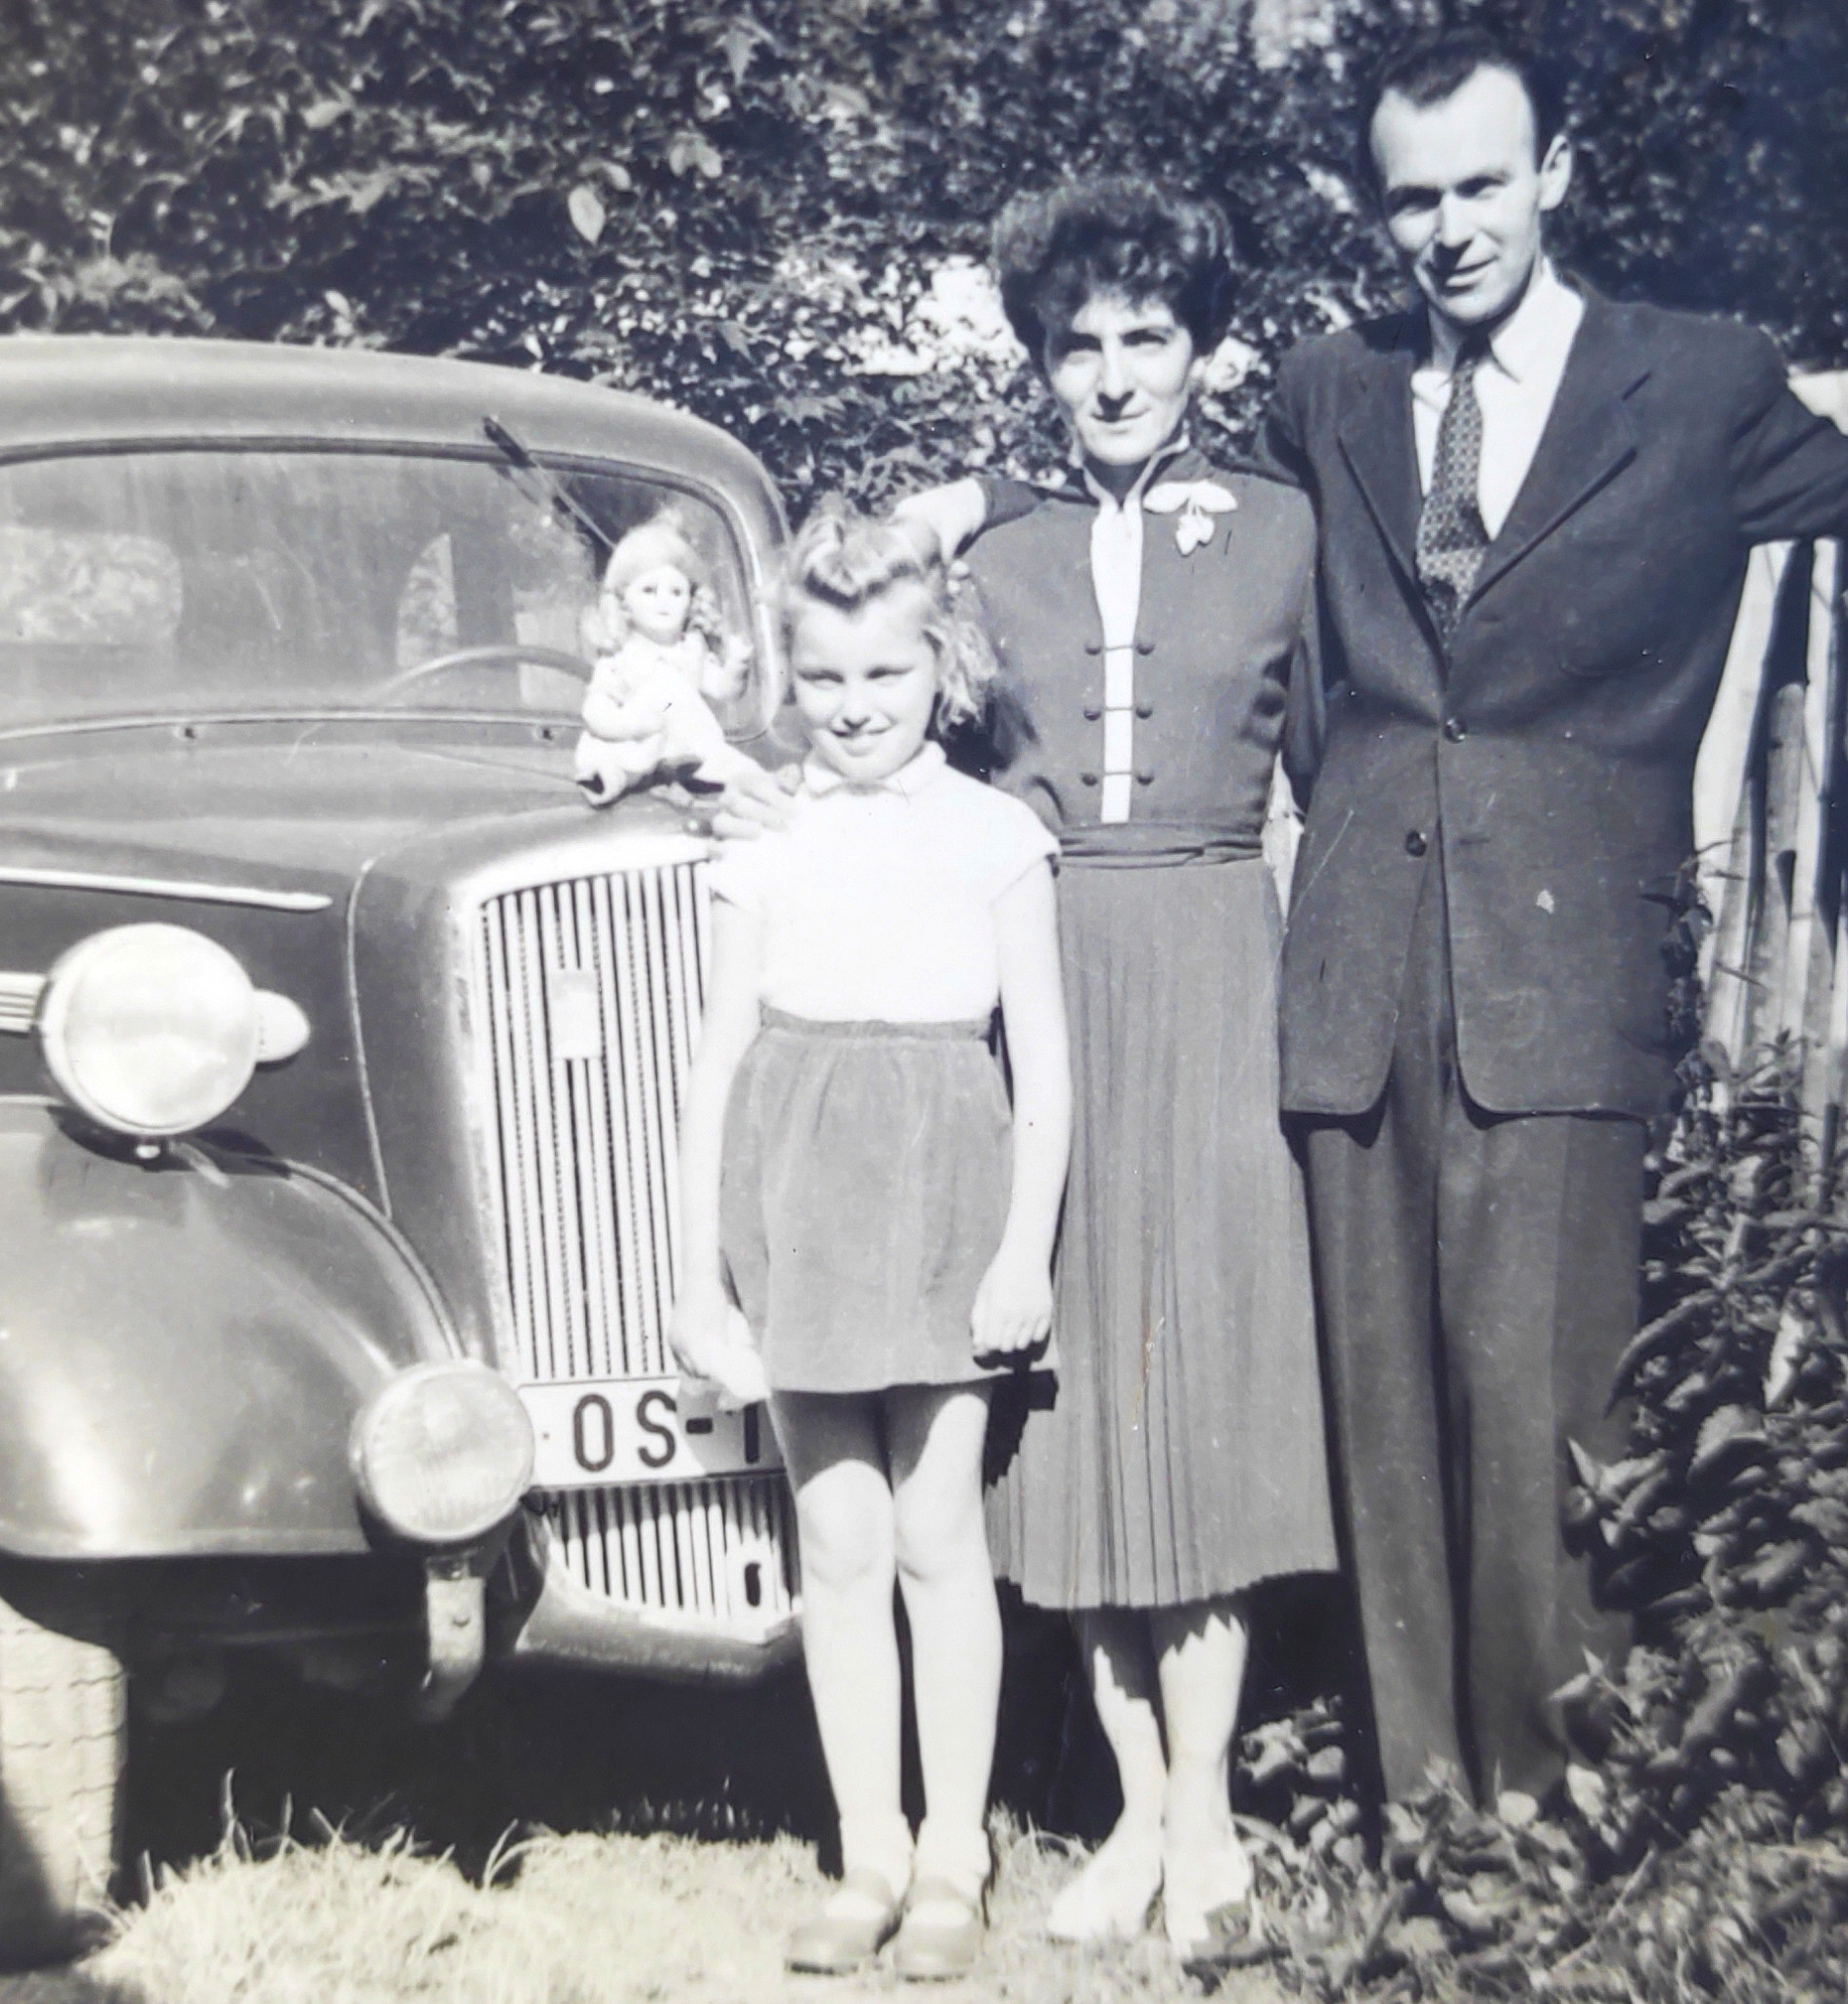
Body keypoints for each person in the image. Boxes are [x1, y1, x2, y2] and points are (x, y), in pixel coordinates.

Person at [1250, 26, 1848, 1811]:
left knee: (1543, 1406)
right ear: (1377, 211)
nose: (1449, 229)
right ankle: (1419, 1822)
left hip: (1561, 956)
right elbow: (1209, 547)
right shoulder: (1327, 388)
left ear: (1555, 174)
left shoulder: (1689, 384)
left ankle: (1546, 1817)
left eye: (1481, 184)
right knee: (1381, 1407)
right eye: (1411, 199)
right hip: (1358, 964)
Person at [892, 180, 1341, 1964]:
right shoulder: (984, 549)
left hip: (1222, 967)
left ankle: (1204, 1809)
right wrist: (937, 517)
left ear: (1202, 347)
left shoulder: (1288, 531)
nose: (1110, 372)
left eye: (1145, 335)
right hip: (1047, 969)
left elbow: (1340, 771)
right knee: (1073, 1406)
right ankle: (1135, 1806)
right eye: (1074, 342)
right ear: (1036, 360)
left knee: (1198, 1390)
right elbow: (851, 690)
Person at [670, 505, 1070, 1981]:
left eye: (884, 675)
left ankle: (955, 1853)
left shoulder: (996, 836)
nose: (853, 707)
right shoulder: (766, 837)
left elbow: (1044, 1065)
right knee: (835, 1538)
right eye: (825, 678)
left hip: (945, 1189)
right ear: (791, 676)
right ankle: (868, 1850)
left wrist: (1023, 1249)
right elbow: (716, 1059)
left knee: (933, 1528)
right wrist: (692, 1270)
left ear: (941, 667)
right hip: (796, 1196)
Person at [574, 517, 763, 803]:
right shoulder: (621, 655)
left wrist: (737, 665)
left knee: (729, 764)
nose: (663, 601)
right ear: (624, 603)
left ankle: (761, 784)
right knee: (615, 760)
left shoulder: (692, 649)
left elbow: (722, 689)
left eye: (676, 592)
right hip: (637, 740)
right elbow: (596, 707)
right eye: (649, 590)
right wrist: (627, 726)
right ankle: (607, 781)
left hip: (689, 748)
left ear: (691, 601)